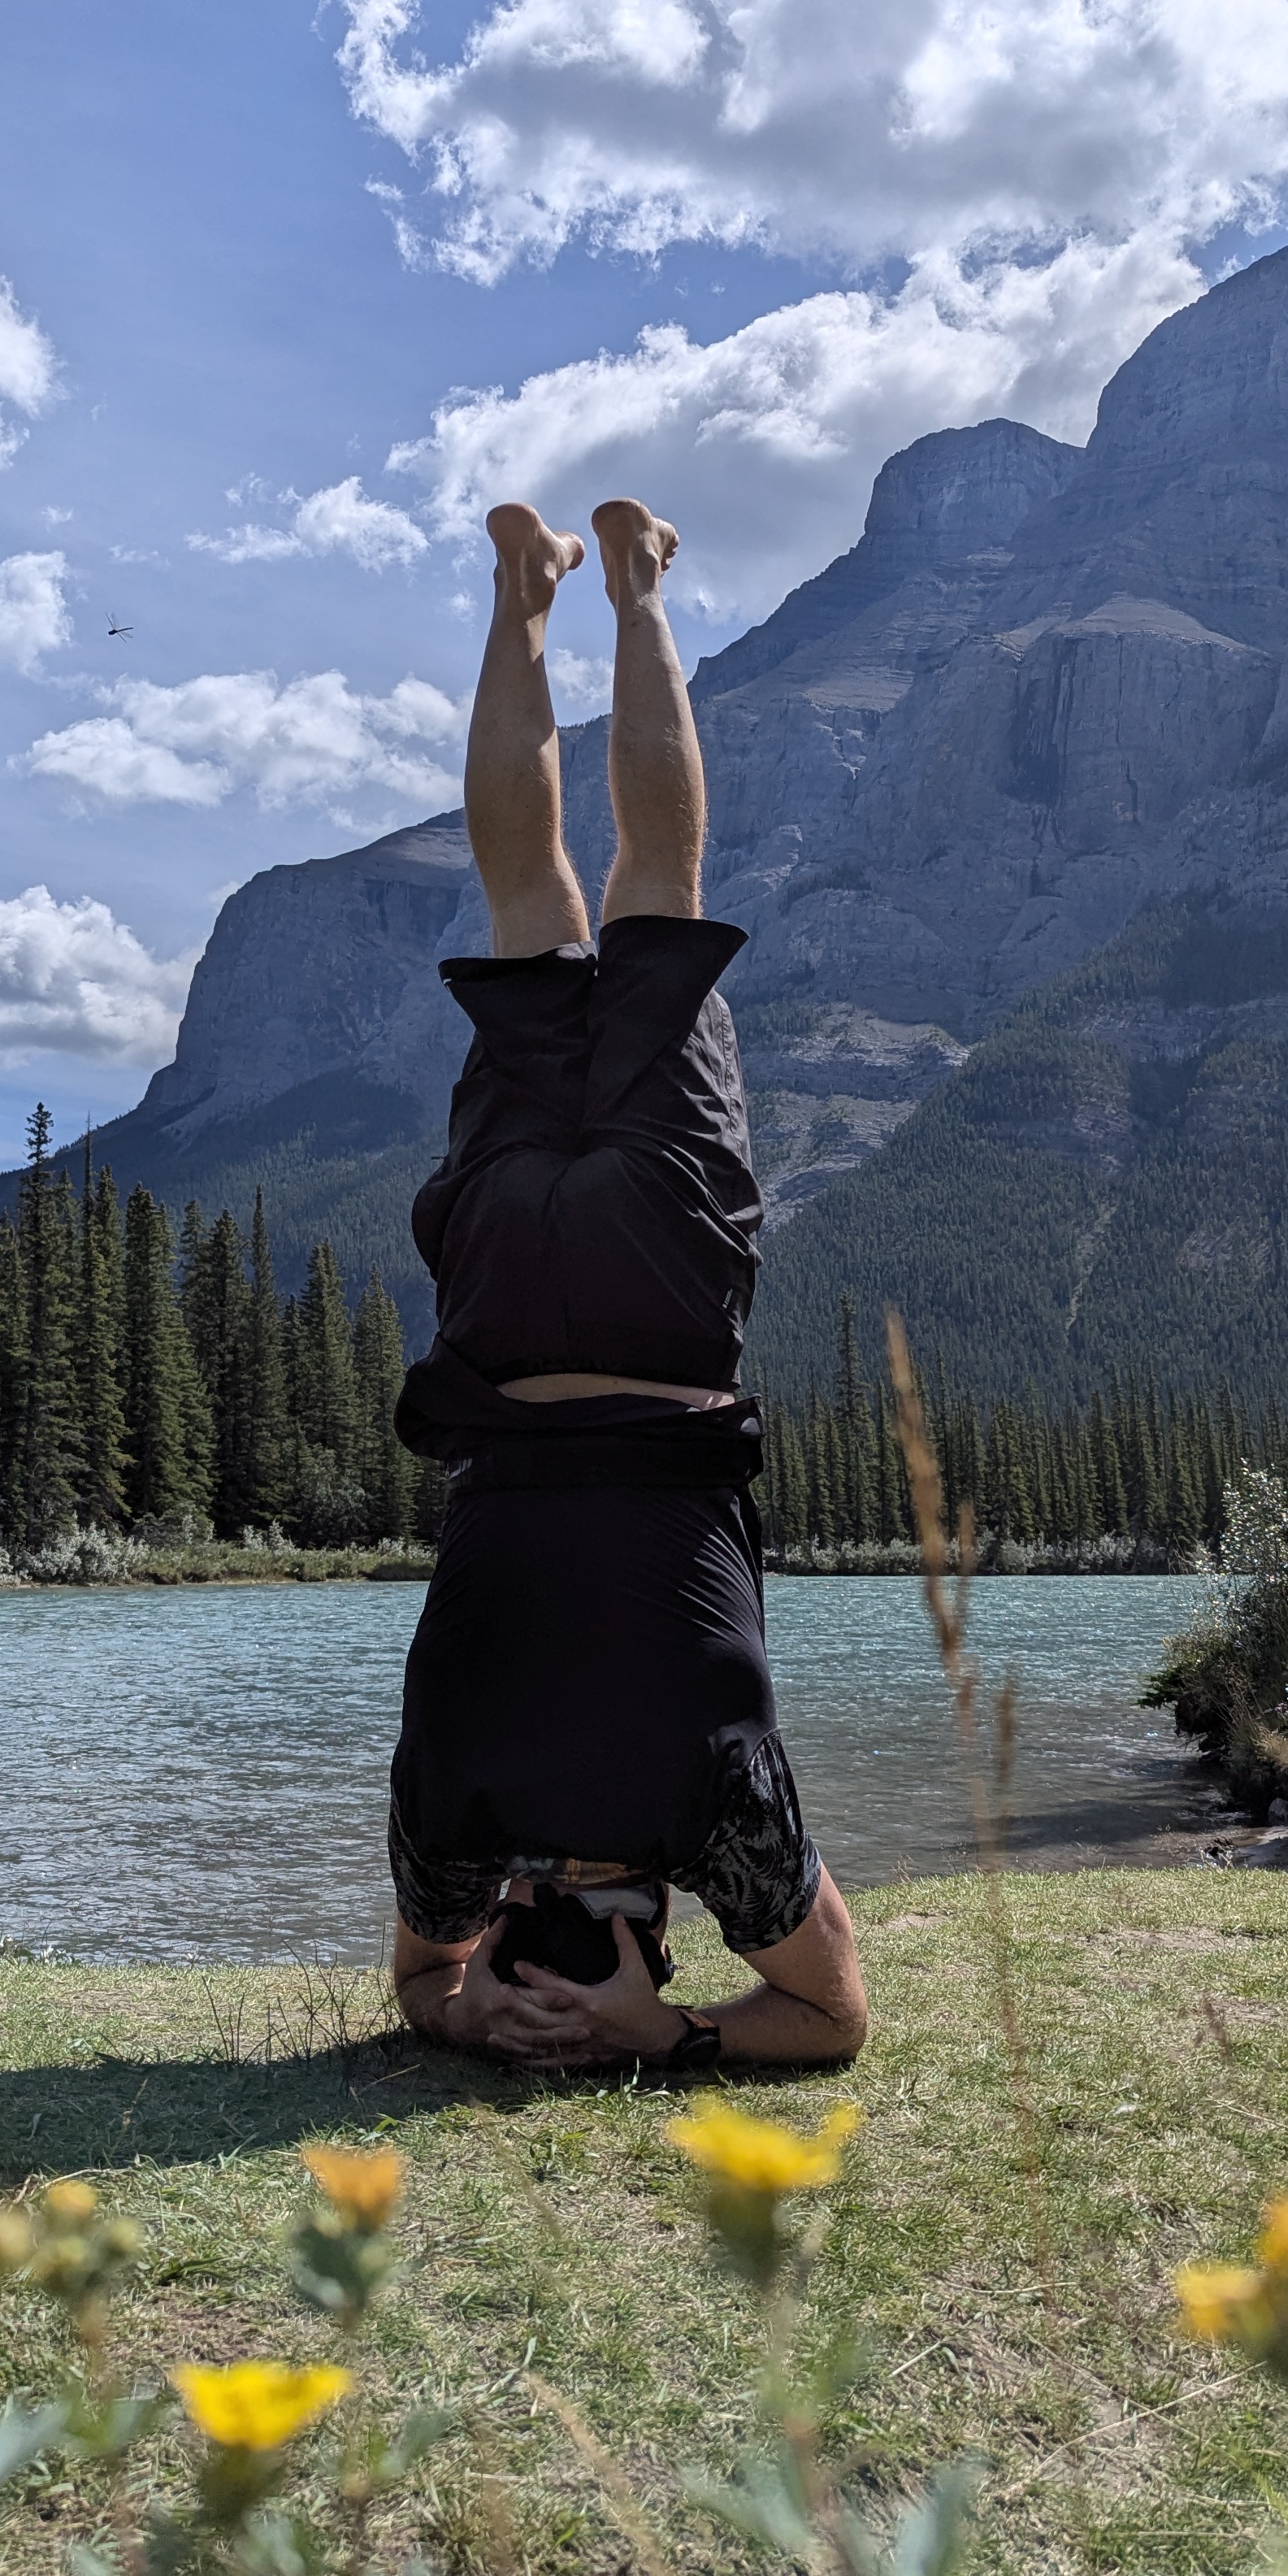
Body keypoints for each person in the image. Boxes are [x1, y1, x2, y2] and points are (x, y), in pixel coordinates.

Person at [385, 496, 869, 2074]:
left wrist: (661, 2034)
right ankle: (527, 599)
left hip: (663, 1315)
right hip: (509, 1319)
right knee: (537, 903)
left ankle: (635, 591)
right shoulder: (453, 1822)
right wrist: (490, 2010)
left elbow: (829, 2019)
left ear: (653, 1919)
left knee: (654, 879)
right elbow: (424, 1993)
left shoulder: (714, 1816)